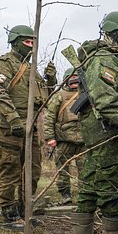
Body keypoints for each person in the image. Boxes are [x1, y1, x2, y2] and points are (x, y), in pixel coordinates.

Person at [70, 11, 118, 234]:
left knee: (90, 176)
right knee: (111, 178)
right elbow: (105, 99)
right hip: (104, 126)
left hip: (98, 125)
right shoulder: (105, 58)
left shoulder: (107, 57)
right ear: (113, 33)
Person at [0, 24, 57, 228]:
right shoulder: (3, 64)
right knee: (11, 169)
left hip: (31, 127)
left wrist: (51, 79)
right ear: (16, 42)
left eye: (34, 42)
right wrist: (14, 119)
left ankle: (24, 210)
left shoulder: (33, 71)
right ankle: (9, 213)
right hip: (7, 127)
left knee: (33, 169)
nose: (32, 46)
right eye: (28, 42)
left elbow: (46, 97)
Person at [44, 67, 85, 204]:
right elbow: (49, 117)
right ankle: (65, 194)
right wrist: (50, 137)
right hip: (63, 139)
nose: (74, 82)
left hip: (83, 138)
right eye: (71, 79)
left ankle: (84, 195)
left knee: (85, 169)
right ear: (66, 80)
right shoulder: (58, 96)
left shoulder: (85, 94)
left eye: (76, 79)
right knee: (62, 169)